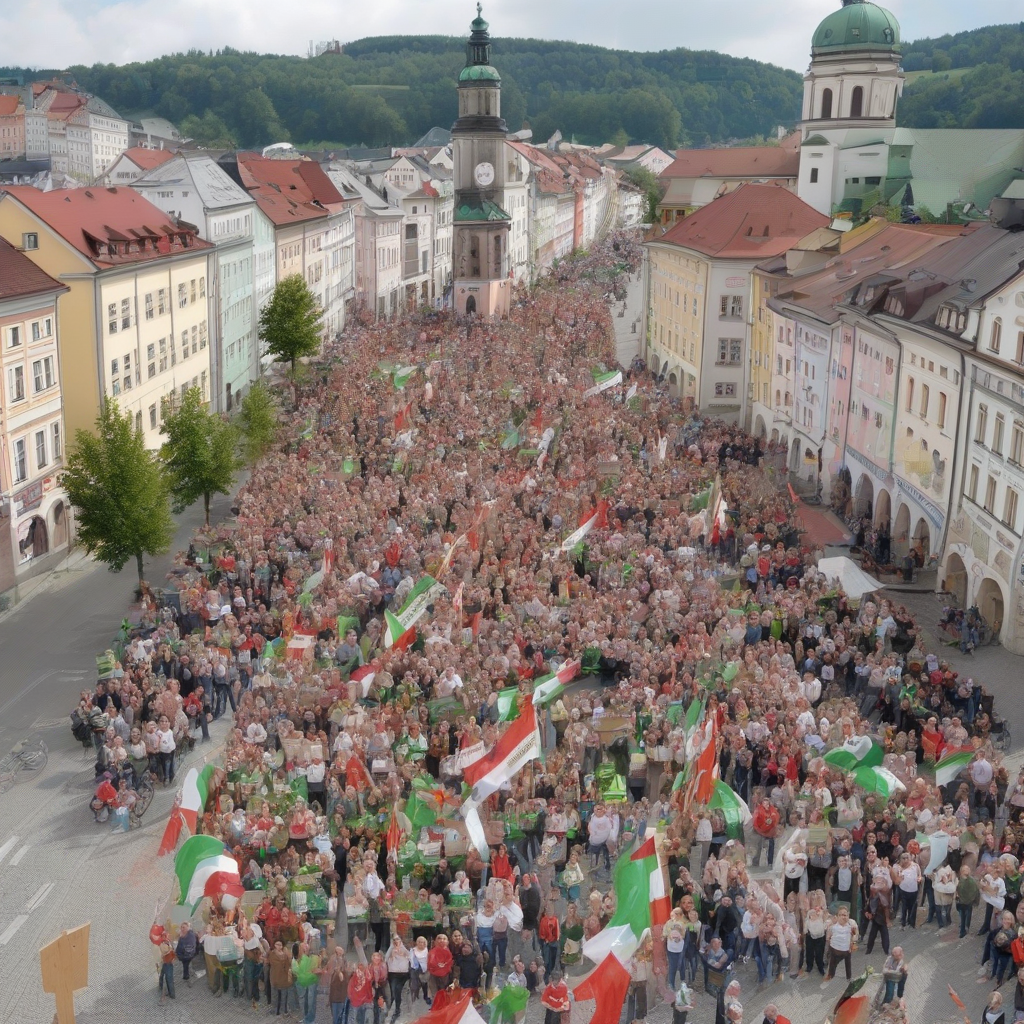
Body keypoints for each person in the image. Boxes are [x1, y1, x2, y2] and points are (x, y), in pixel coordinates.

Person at [824, 906, 857, 983]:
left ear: (848, 916)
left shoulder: (851, 925)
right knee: (832, 963)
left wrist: (852, 945)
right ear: (837, 916)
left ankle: (849, 977)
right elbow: (828, 937)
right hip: (835, 949)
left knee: (848, 963)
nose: (843, 917)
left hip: (846, 949)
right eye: (841, 915)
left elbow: (854, 936)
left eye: (845, 915)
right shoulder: (833, 926)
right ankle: (830, 975)